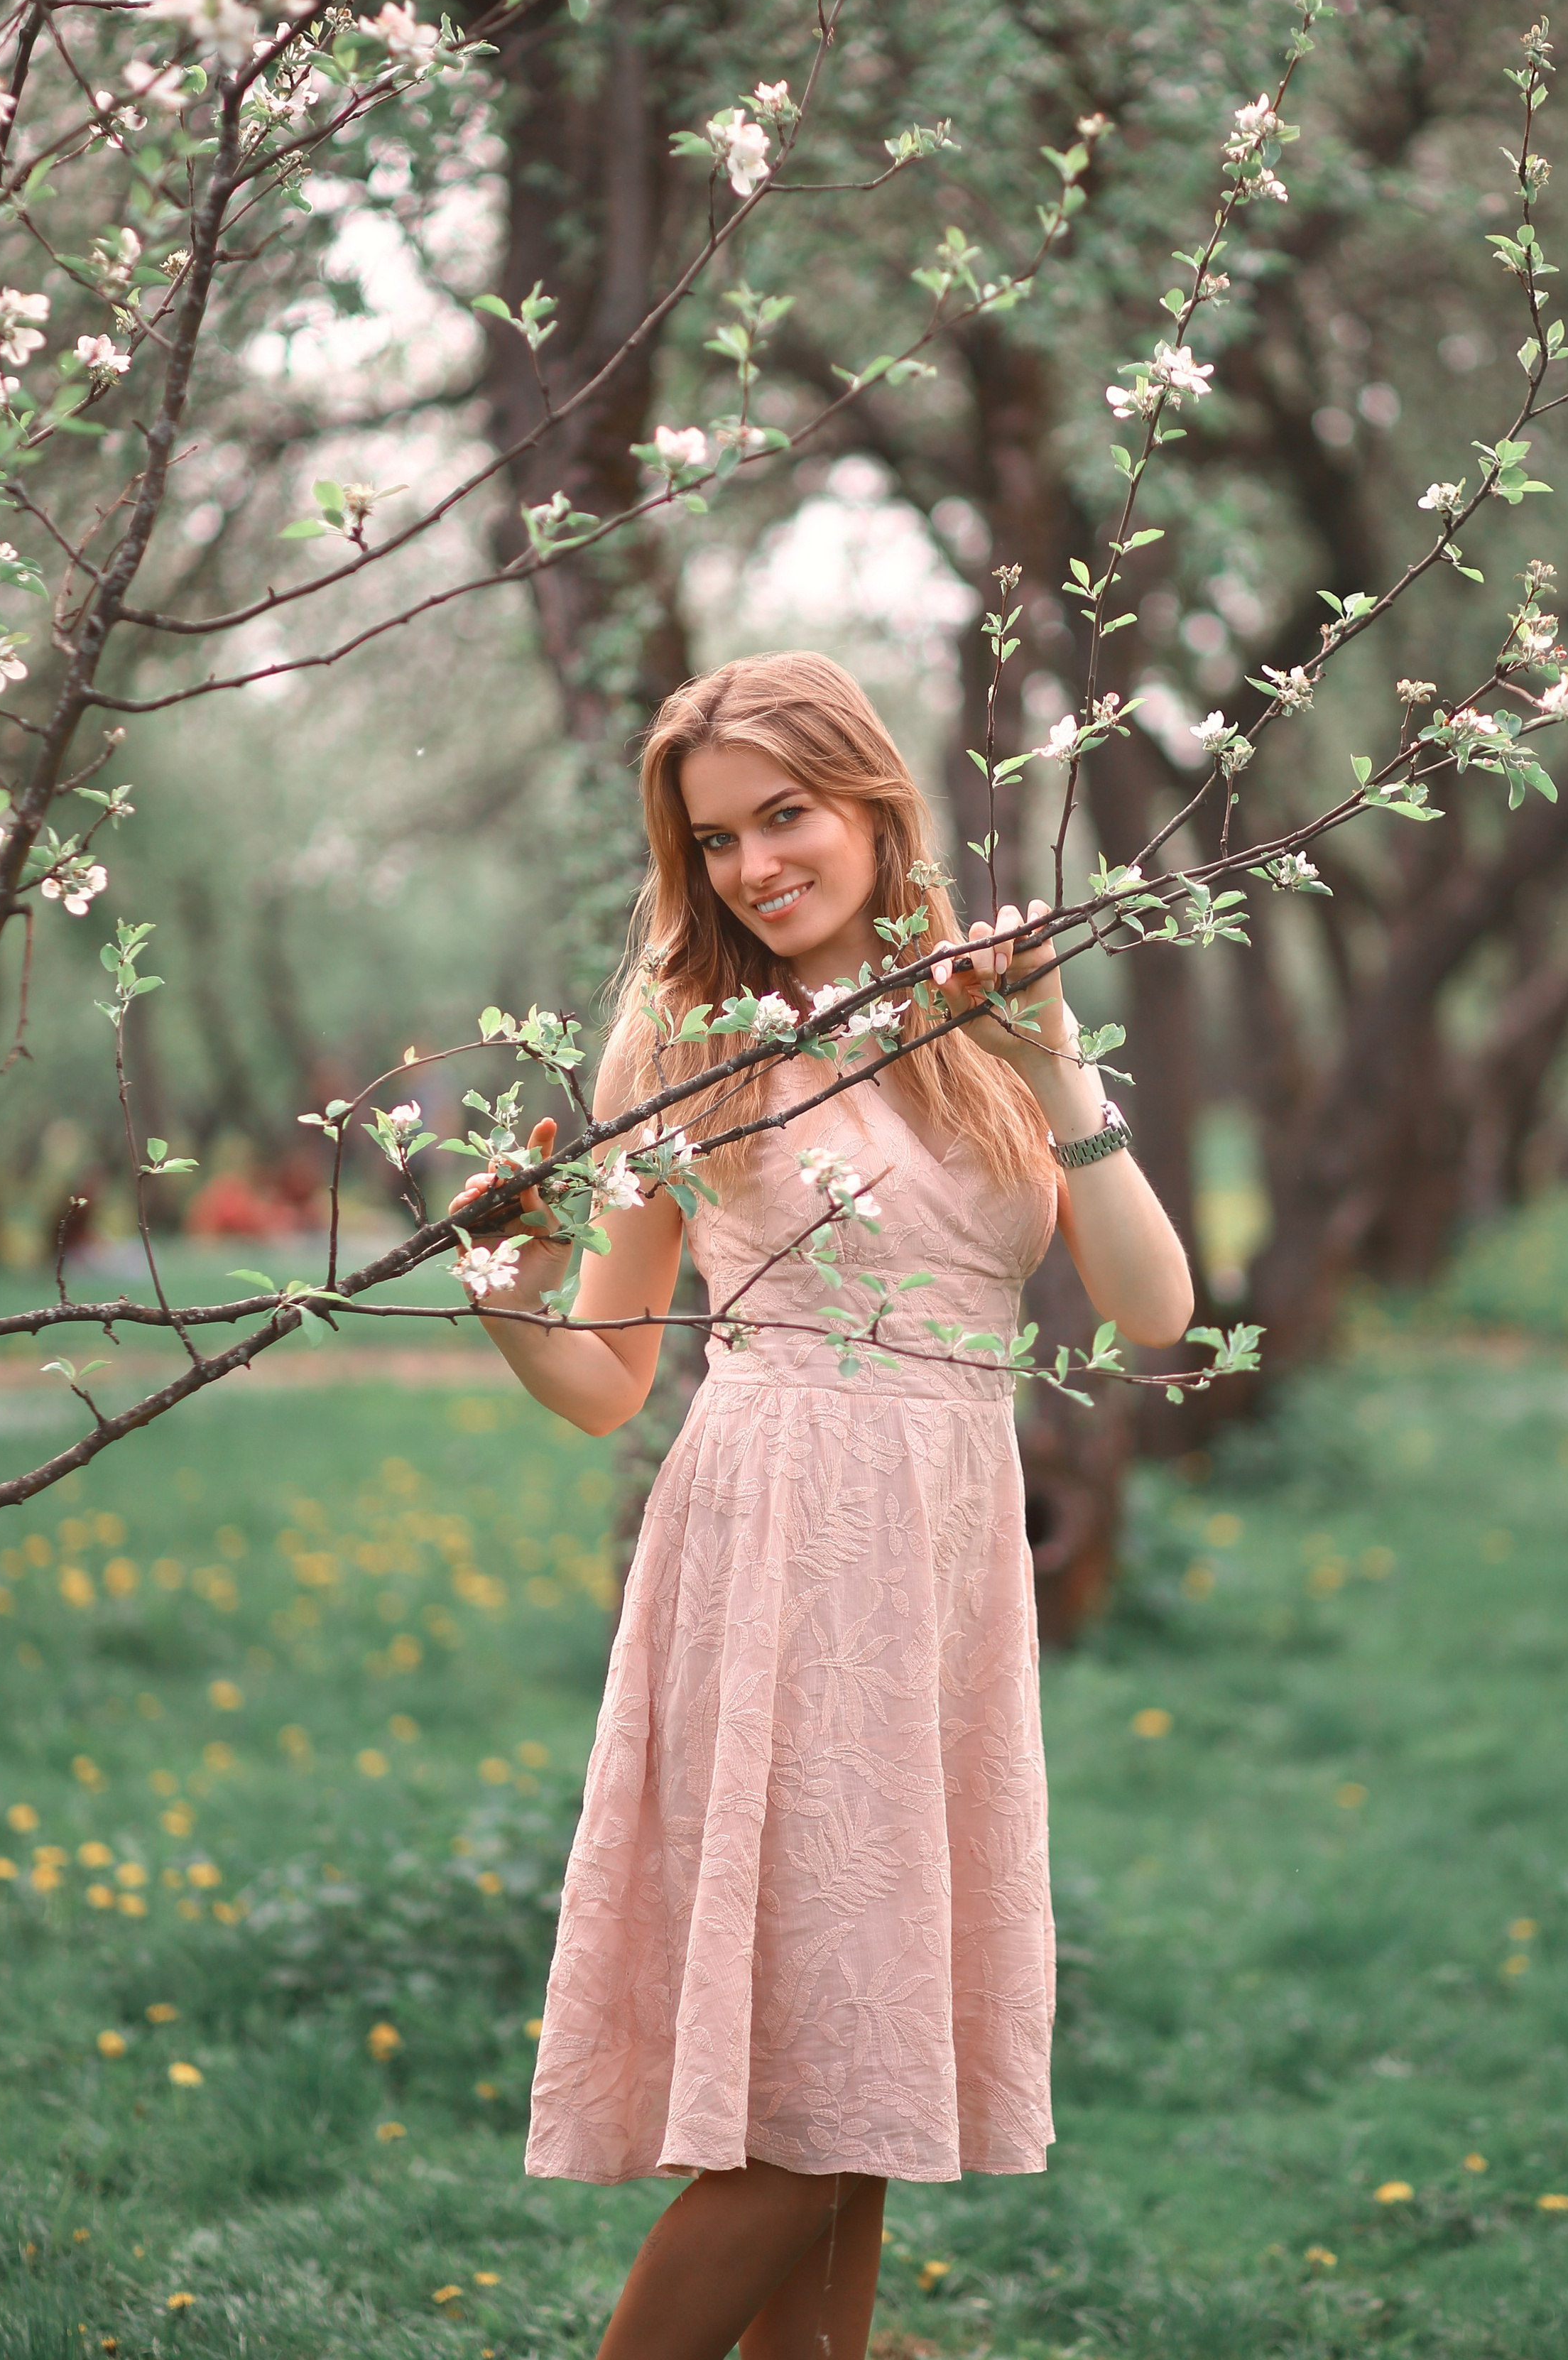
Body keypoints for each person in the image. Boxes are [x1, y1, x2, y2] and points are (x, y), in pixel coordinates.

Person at [450, 651, 1193, 2360]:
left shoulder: (987, 1001)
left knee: (853, 2122)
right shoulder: (680, 1036)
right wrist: (511, 1280)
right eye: (713, 841)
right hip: (772, 1533)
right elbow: (607, 1382)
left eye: (781, 817)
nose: (752, 867)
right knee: (805, 2119)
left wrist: (1055, 1059)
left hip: (940, 1546)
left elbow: (1153, 1309)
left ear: (871, 802)